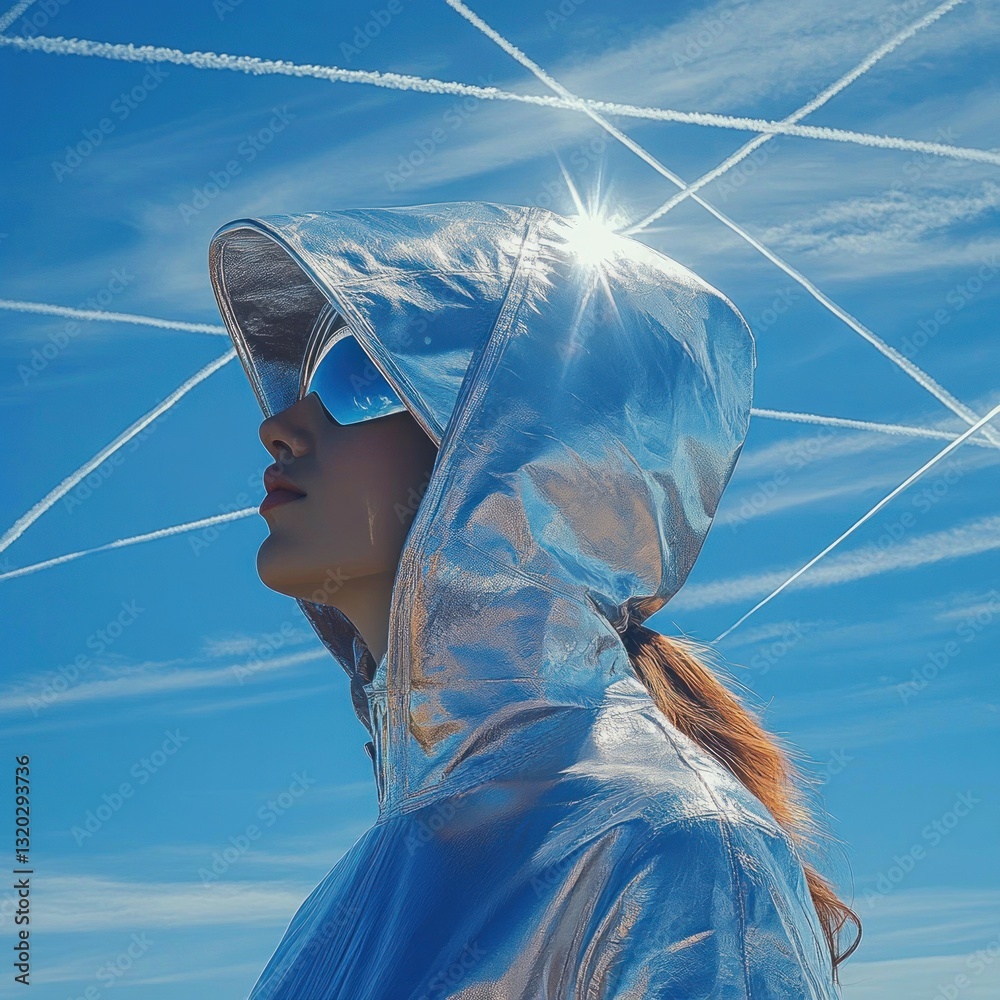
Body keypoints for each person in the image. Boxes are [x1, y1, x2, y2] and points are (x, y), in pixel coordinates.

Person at [208, 201, 860, 998]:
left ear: (531, 449)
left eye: (360, 374)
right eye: (303, 385)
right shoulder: (341, 899)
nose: (281, 426)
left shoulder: (666, 848)